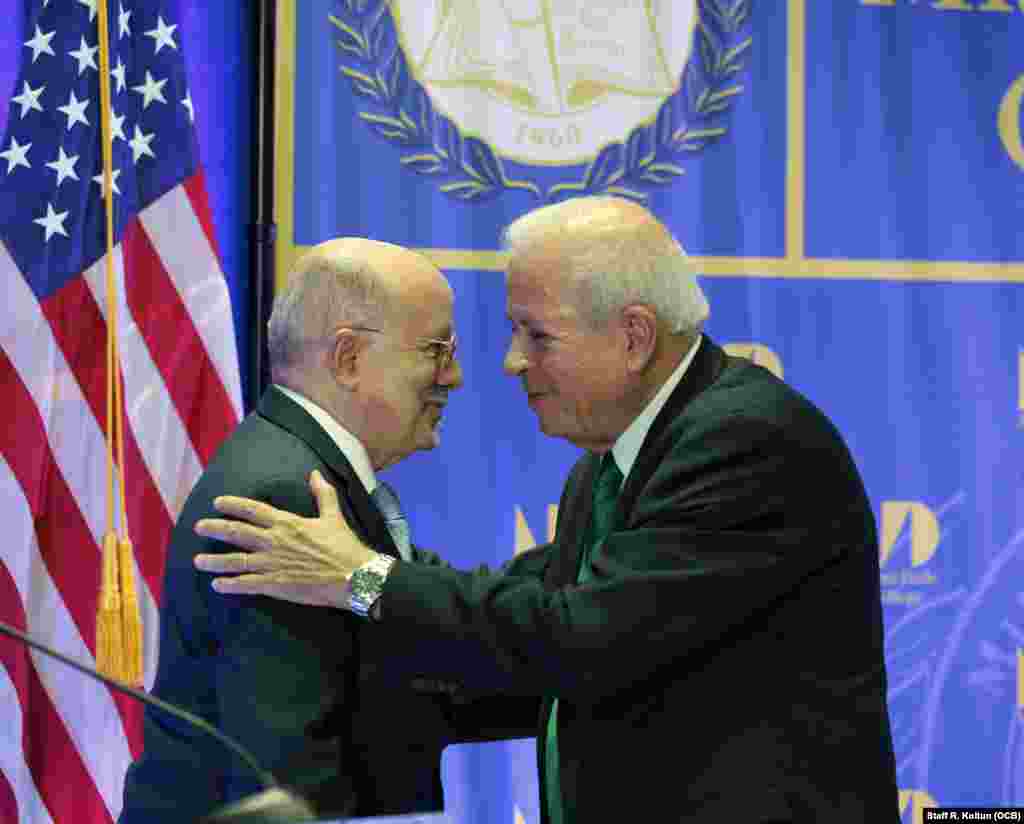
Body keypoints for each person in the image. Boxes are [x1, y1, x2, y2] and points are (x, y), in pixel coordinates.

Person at [194, 197, 901, 823]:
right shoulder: (612, 461)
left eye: (537, 335)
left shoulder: (745, 442)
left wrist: (364, 579)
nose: (510, 361)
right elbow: (532, 615)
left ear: (634, 337)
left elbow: (581, 640)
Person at [119, 238, 465, 822]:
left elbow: (407, 647)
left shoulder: (305, 469)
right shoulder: (284, 494)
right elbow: (288, 770)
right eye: (437, 350)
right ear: (348, 359)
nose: (452, 376)